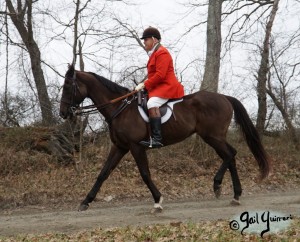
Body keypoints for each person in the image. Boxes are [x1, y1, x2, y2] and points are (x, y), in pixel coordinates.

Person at [135, 26, 184, 148]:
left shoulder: (162, 52)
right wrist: (144, 87)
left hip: (168, 86)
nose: (144, 42)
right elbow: (153, 75)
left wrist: (145, 84)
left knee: (152, 103)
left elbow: (161, 75)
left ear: (154, 39)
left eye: (146, 39)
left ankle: (157, 139)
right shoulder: (154, 54)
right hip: (158, 87)